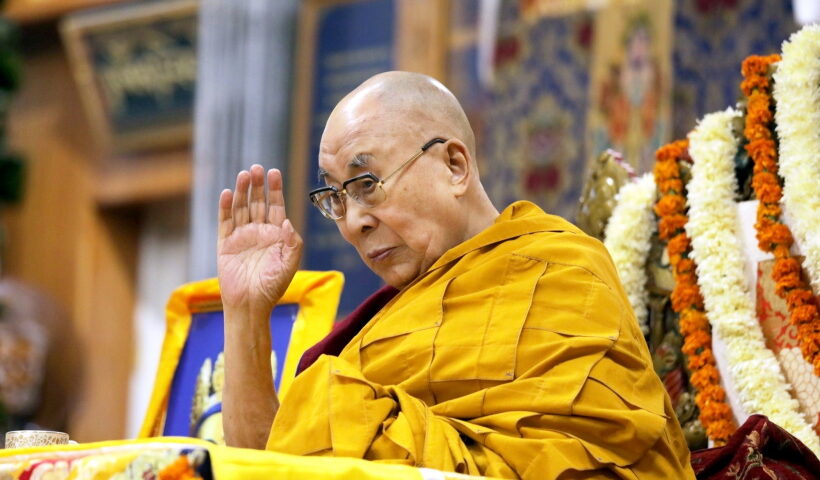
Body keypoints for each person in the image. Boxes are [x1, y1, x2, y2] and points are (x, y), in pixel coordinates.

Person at [216, 71, 695, 479]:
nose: (352, 221)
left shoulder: (560, 271)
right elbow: (263, 465)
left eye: (366, 185)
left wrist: (350, 419)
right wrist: (245, 311)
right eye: (335, 197)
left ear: (454, 165)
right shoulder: (385, 323)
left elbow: (595, 459)